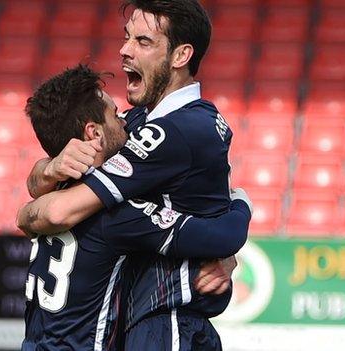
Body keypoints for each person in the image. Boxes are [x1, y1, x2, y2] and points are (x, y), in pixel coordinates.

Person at [18, 0, 243, 349]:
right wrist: (48, 167)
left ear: (180, 56)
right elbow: (41, 192)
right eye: (127, 38)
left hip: (167, 321)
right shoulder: (135, 123)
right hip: (137, 321)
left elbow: (54, 212)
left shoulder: (174, 132)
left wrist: (241, 207)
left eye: (143, 42)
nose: (124, 50)